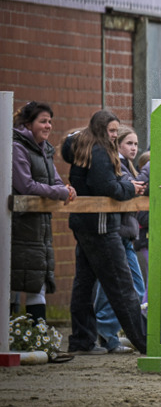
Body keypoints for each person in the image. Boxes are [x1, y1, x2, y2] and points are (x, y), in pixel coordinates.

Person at [62, 110, 147, 355]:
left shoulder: (83, 147)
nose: (114, 135)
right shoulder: (99, 151)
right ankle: (145, 341)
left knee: (84, 285)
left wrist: (123, 185)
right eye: (111, 130)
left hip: (84, 224)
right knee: (122, 286)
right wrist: (130, 187)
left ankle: (82, 340)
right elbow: (107, 187)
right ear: (101, 129)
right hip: (101, 226)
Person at [10, 101, 76, 324]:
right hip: (17, 225)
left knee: (37, 281)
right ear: (28, 124)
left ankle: (38, 335)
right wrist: (60, 192)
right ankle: (12, 334)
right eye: (43, 121)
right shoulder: (16, 147)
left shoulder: (46, 149)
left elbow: (55, 181)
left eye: (50, 121)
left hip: (39, 226)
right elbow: (26, 186)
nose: (48, 126)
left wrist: (66, 189)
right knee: (13, 280)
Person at [92, 125, 148, 353]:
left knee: (130, 287)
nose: (134, 148)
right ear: (118, 145)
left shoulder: (128, 166)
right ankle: (106, 331)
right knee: (119, 288)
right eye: (129, 143)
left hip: (126, 235)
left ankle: (106, 331)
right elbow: (131, 187)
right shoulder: (117, 165)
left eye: (136, 144)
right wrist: (152, 167)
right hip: (117, 234)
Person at [134, 150, 151, 286]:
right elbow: (143, 218)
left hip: (147, 238)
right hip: (145, 238)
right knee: (151, 276)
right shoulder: (143, 193)